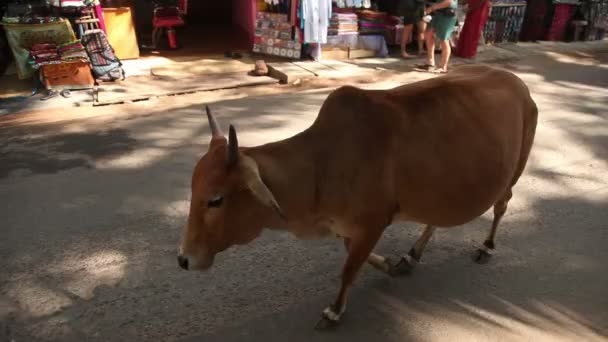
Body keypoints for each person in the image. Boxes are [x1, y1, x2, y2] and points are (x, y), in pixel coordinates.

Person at [416, 0, 458, 72]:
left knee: (444, 40)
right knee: (429, 34)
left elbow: (449, 1)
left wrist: (432, 7)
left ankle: (443, 67)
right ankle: (430, 63)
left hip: (446, 15)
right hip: (436, 14)